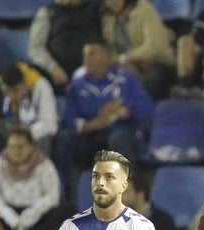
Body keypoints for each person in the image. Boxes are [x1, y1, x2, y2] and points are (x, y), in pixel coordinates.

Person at [55, 39, 154, 198]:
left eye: (92, 53)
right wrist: (89, 125)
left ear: (107, 56)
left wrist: (124, 108)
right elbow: (69, 116)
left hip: (120, 133)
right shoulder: (78, 83)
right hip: (90, 136)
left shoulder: (125, 79)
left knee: (119, 139)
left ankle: (127, 193)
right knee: (64, 139)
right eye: (85, 54)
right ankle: (64, 194)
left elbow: (147, 110)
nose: (86, 58)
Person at [0, 126, 62, 230]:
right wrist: (12, 218)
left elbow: (52, 196)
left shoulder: (44, 164)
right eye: (11, 147)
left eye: (20, 147)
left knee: (65, 212)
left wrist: (27, 218)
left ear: (31, 147)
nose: (15, 151)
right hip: (8, 212)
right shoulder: (0, 163)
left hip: (36, 213)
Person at [100, 0, 176, 99]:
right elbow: (111, 50)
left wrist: (125, 58)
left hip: (156, 63)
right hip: (126, 66)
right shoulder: (107, 18)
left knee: (144, 83)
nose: (112, 2)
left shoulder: (144, 9)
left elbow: (154, 47)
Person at [28, 0, 104, 90]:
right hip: (56, 73)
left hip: (91, 72)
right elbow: (36, 48)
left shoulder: (97, 8)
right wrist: (52, 68)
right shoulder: (48, 12)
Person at [0, 63, 59, 152]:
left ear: (24, 83)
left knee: (44, 139)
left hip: (34, 132)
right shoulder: (0, 85)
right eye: (7, 91)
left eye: (15, 90)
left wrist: (29, 131)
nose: (11, 96)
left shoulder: (41, 86)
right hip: (12, 128)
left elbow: (51, 126)